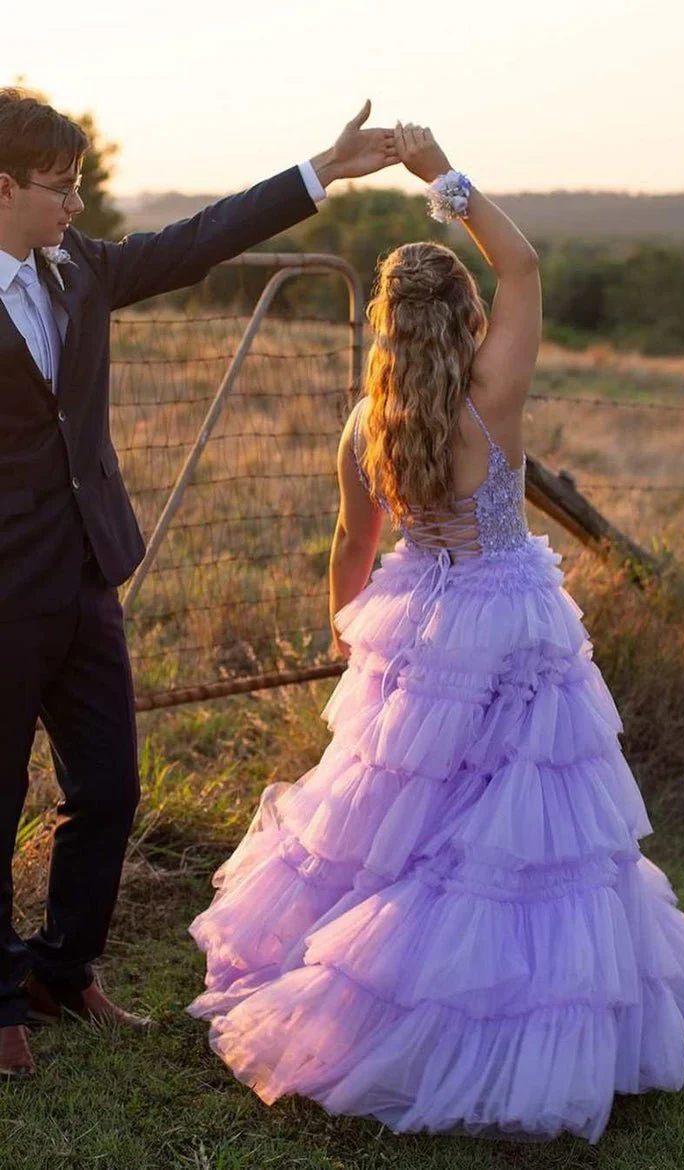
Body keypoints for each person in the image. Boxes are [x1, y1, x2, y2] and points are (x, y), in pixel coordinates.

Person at [189, 123, 684, 1143]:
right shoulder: (494, 394)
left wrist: (348, 628)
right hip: (509, 617)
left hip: (417, 617)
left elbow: (351, 543)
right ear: (468, 311)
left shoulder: (368, 421)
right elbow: (523, 256)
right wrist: (435, 167)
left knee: (407, 824)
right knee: (522, 831)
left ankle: (384, 985)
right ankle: (505, 1010)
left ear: (382, 324)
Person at [0, 86, 397, 1080]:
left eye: (78, 187)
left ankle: (64, 969)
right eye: (57, 190)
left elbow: (198, 240)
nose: (75, 207)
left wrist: (323, 171)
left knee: (112, 788)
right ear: (0, 188)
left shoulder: (78, 270)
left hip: (89, 578)